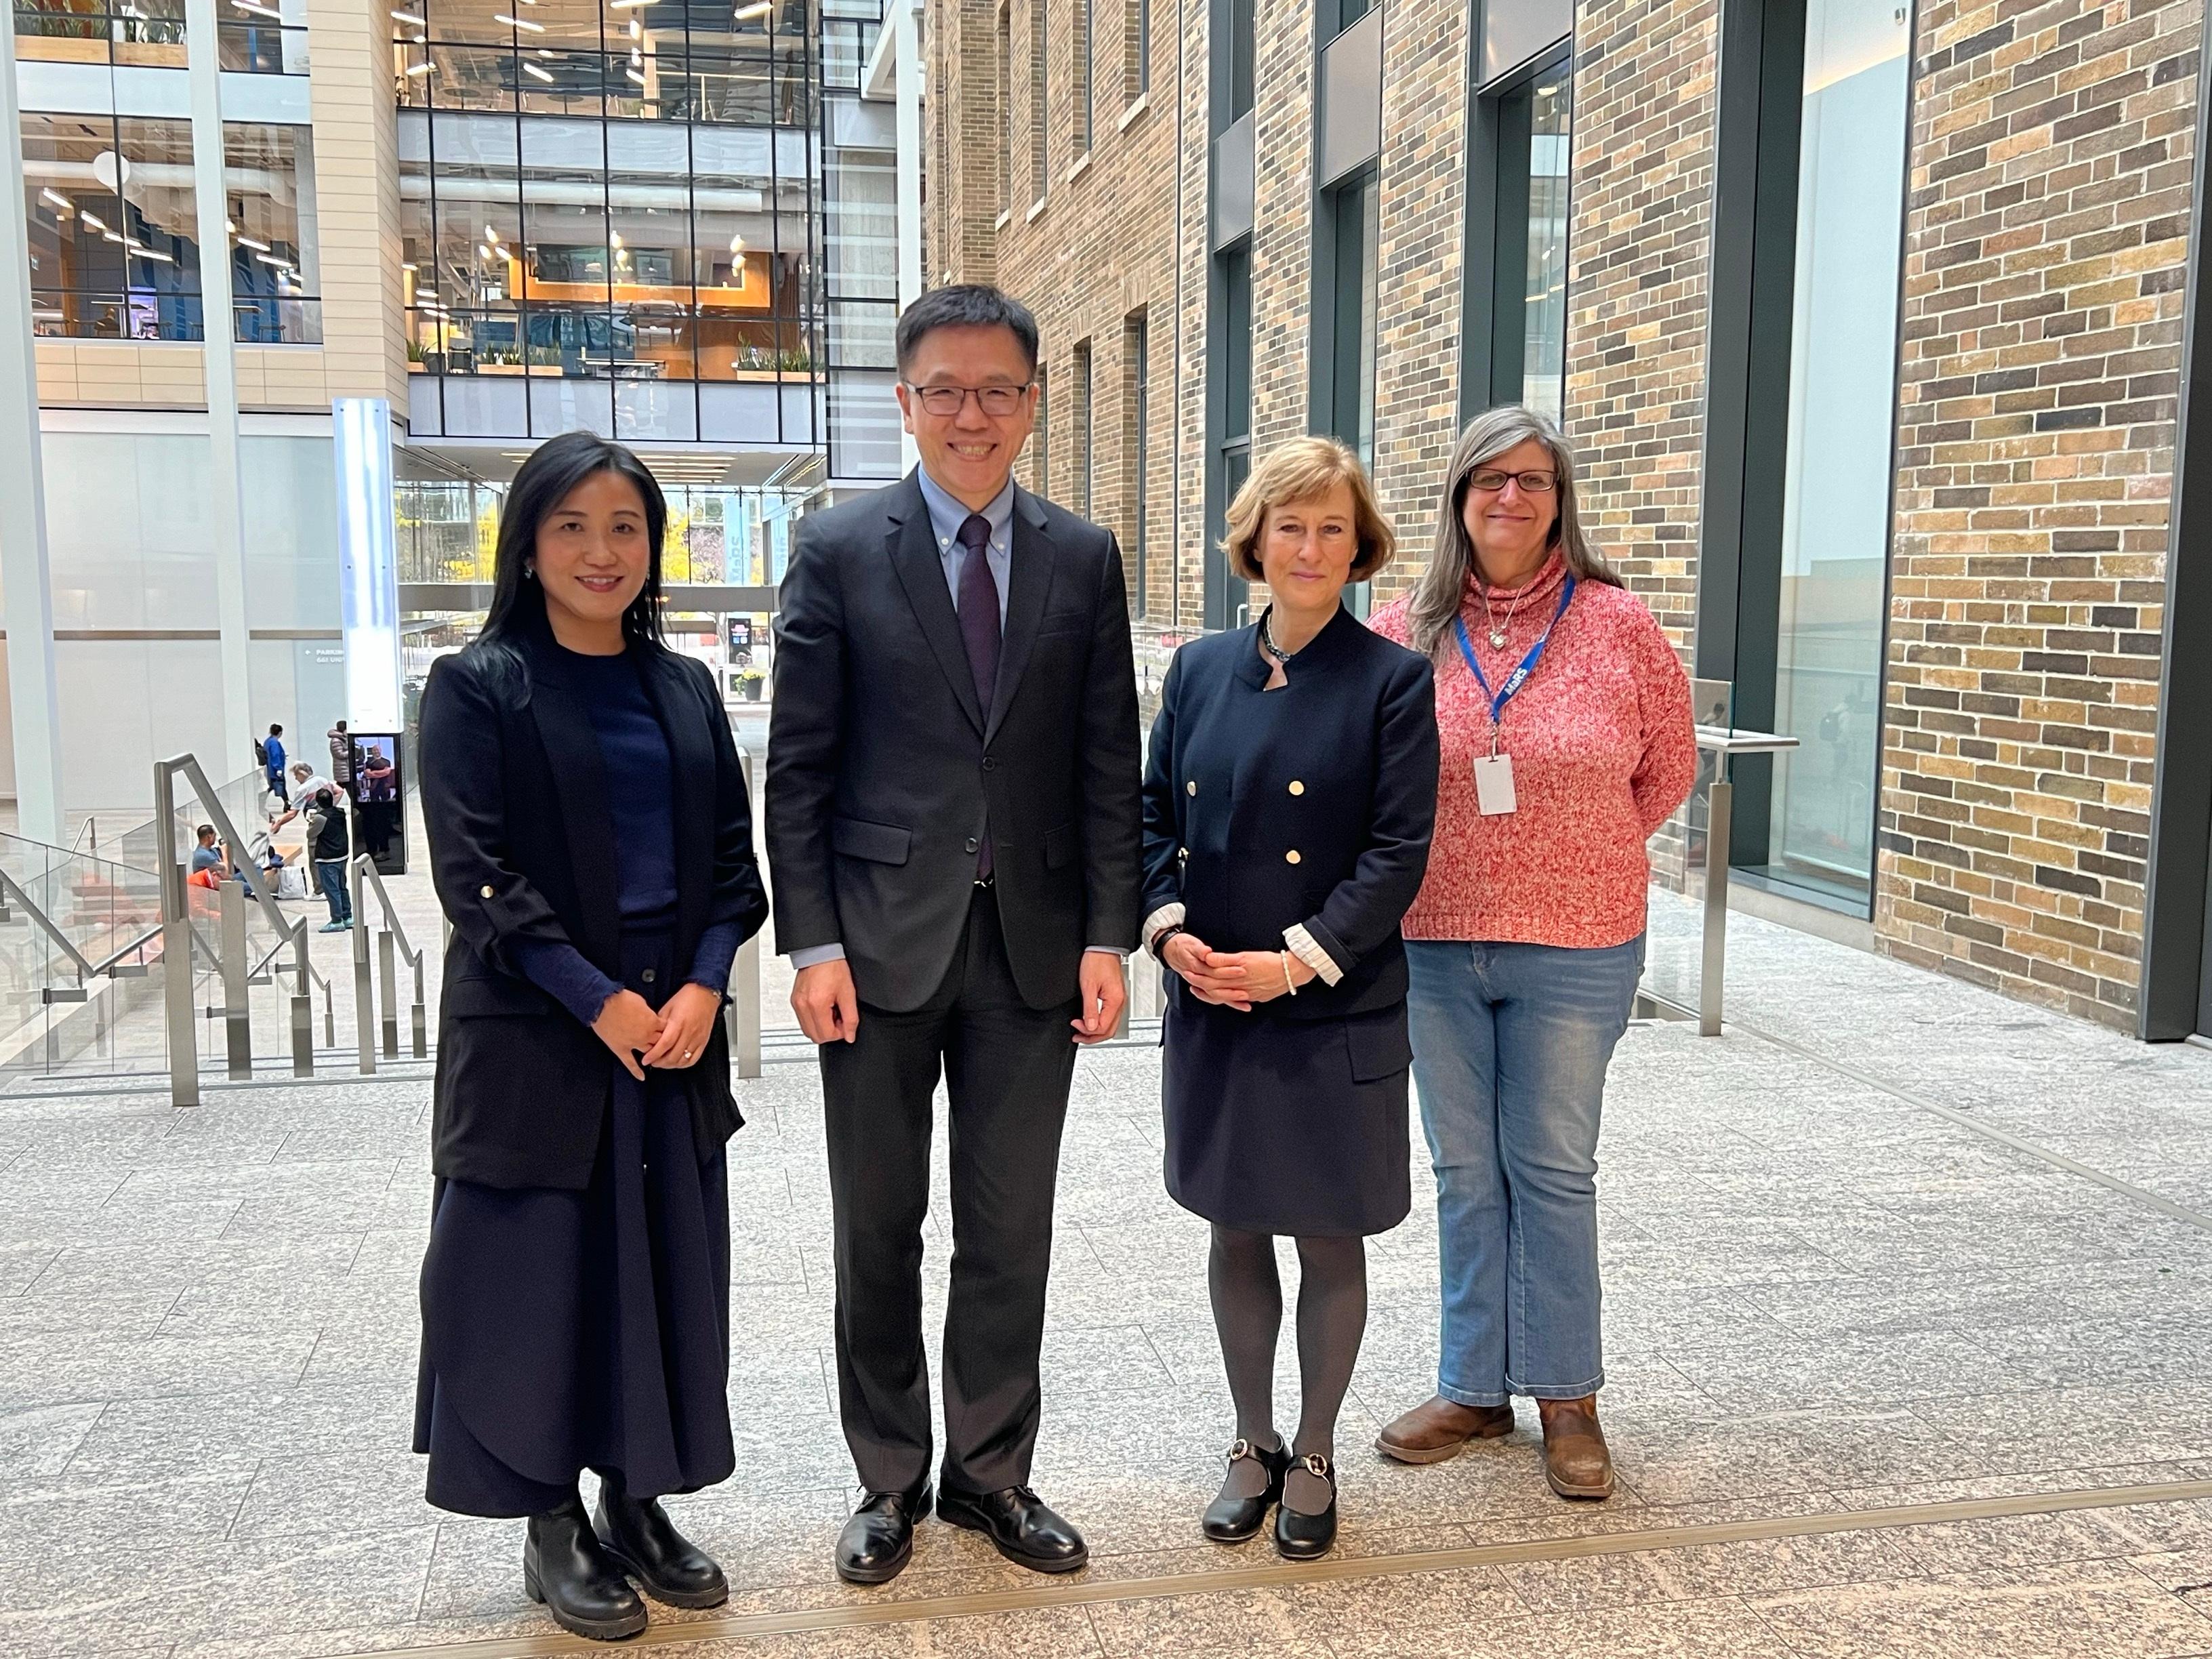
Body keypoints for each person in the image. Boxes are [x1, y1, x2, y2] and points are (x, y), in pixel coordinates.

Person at [766, 284, 1142, 1585]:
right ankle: (885, 1476)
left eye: (996, 390)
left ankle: (990, 1472)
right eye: (944, 390)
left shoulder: (1081, 556)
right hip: (872, 948)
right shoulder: (835, 545)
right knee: (876, 1223)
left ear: (1031, 403)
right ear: (903, 401)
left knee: (1008, 1225)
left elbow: (1108, 763)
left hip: (1034, 946)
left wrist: (1110, 932)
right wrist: (810, 943)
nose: (970, 414)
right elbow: (797, 766)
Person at [414, 430, 769, 1642]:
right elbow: (477, 880)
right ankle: (550, 1522)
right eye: (571, 525)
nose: (600, 551)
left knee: (662, 1272)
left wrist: (704, 986)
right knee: (532, 1286)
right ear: (525, 541)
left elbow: (733, 863)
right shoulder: (476, 686)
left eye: (624, 526)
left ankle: (639, 1496)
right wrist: (599, 998)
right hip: (537, 1040)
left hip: (671, 1037)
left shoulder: (682, 688)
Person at [1369, 407, 1696, 1500]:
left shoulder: (1615, 623)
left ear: (1560, 500)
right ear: (1456, 500)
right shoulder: (1402, 629)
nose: (1509, 498)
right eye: (1486, 481)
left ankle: (1566, 1395)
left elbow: (1665, 771)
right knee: (1463, 1173)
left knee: (1550, 1169)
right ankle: (1471, 1386)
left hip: (1575, 942)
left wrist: (1571, 855)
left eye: (1532, 480)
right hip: (1430, 940)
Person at [1140, 437, 1437, 1561]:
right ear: (1252, 539)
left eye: (1329, 527)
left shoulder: (1391, 680)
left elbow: (1395, 852)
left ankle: (1312, 1450)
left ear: (1358, 546)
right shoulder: (1198, 668)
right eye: (1286, 524)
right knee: (1232, 1224)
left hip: (1330, 1004)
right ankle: (1249, 1438)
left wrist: (1295, 958)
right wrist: (1167, 932)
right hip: (1212, 994)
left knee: (1327, 1236)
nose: (1307, 547)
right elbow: (1149, 814)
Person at [306, 789, 352, 932]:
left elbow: (311, 834)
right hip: (342, 855)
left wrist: (311, 821)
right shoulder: (340, 812)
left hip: (328, 858)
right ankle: (348, 917)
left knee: (332, 890)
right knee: (342, 887)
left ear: (318, 802)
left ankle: (337, 920)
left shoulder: (320, 818)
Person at [263, 724, 288, 808]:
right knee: (280, 787)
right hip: (275, 771)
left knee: (270, 788)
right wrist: (279, 768)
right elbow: (275, 755)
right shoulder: (275, 743)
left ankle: (287, 803)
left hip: (270, 770)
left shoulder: (268, 741)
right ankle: (287, 804)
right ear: (280, 733)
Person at [329, 719, 356, 790]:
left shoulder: (343, 738)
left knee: (342, 791)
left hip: (345, 770)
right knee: (351, 792)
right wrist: (352, 752)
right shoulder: (336, 740)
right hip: (343, 771)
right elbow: (340, 754)